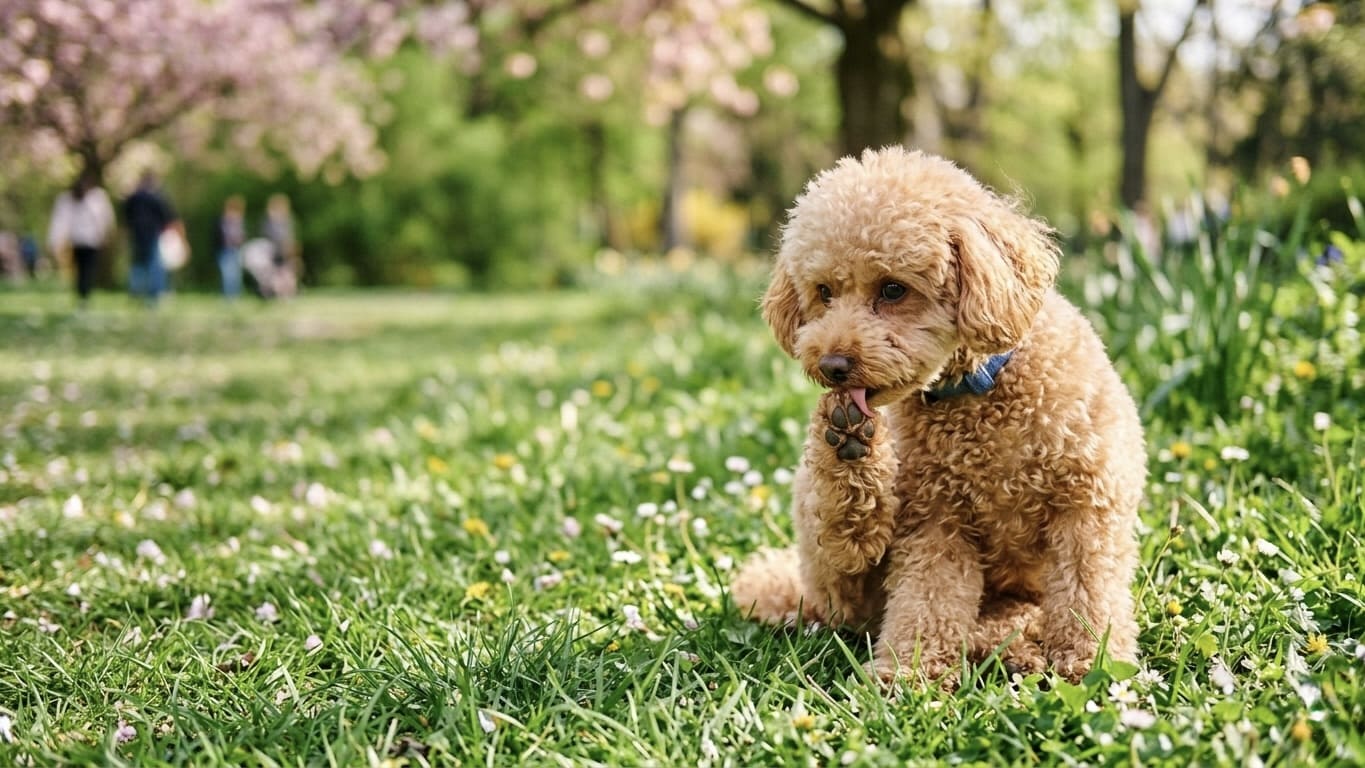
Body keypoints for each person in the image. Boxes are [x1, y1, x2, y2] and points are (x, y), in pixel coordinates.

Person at [47, 171, 116, 307]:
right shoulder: (92, 198)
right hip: (85, 240)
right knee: (86, 269)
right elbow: (105, 219)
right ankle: (84, 295)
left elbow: (61, 221)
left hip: (84, 240)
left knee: (84, 269)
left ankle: (83, 295)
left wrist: (55, 240)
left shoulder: (94, 197)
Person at [123, 171, 180, 305]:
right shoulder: (156, 197)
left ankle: (135, 292)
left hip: (136, 234)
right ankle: (154, 294)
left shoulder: (133, 197)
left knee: (137, 263)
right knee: (154, 264)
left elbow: (126, 215)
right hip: (152, 233)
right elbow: (167, 215)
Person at [262, 193, 299, 298]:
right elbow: (267, 236)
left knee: (287, 272)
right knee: (275, 273)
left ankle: (288, 293)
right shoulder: (268, 221)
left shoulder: (287, 220)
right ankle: (277, 294)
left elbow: (290, 236)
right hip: (274, 251)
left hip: (285, 250)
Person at [215, 195, 247, 299]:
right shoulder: (223, 220)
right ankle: (228, 296)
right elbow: (221, 236)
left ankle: (235, 295)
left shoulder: (239, 221)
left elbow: (242, 235)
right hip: (225, 250)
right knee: (227, 274)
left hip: (236, 249)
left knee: (236, 274)